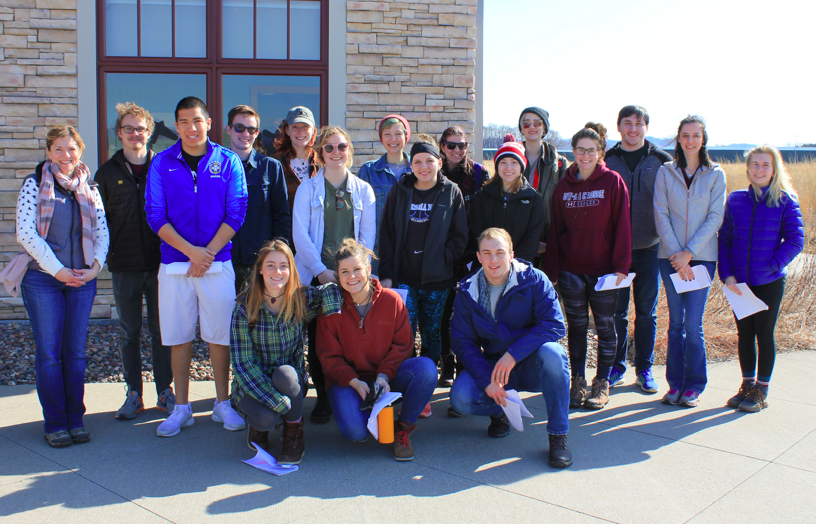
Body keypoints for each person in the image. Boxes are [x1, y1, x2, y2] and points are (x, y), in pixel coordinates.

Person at [145, 96, 248, 436]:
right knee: (178, 336)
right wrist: (192, 252)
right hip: (176, 265)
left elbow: (237, 211)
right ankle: (182, 408)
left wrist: (208, 254)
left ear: (208, 123)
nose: (192, 128)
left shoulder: (228, 160)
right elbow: (155, 214)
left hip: (218, 265)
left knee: (219, 336)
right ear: (176, 126)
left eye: (197, 121)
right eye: (185, 122)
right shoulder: (162, 163)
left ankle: (222, 404)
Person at [14, 126, 109, 447]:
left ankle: (75, 419)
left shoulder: (90, 187)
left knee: (75, 354)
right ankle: (55, 423)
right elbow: (26, 233)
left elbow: (102, 232)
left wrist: (95, 267)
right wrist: (58, 271)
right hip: (44, 280)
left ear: (80, 152)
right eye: (58, 149)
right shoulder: (33, 185)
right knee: (50, 354)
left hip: (82, 280)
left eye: (71, 149)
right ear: (48, 152)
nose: (65, 156)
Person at [449, 228, 572, 468]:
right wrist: (487, 381)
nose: (493, 259)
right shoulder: (467, 291)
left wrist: (513, 354)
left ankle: (558, 436)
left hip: (532, 364)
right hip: (495, 367)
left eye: (499, 252)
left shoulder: (534, 279)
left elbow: (555, 325)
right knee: (461, 398)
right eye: (487, 253)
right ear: (478, 257)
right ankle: (500, 411)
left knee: (554, 354)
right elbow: (463, 343)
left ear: (511, 254)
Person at [317, 238, 437, 461]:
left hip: (386, 376)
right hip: (349, 382)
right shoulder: (331, 306)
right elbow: (328, 356)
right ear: (337, 275)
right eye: (344, 272)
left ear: (369, 270)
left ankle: (403, 427)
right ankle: (369, 411)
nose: (351, 277)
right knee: (356, 433)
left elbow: (403, 346)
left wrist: (383, 376)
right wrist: (353, 381)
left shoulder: (392, 300)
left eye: (357, 269)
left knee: (426, 368)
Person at [378, 134, 468, 417]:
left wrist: (442, 259)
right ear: (411, 165)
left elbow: (459, 236)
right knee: (404, 335)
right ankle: (405, 386)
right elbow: (388, 235)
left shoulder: (451, 192)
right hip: (404, 278)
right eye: (418, 161)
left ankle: (424, 390)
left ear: (439, 163)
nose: (424, 166)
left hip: (436, 280)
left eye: (429, 161)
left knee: (431, 334)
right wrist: (388, 275)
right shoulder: (400, 190)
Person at [95, 102, 174, 420]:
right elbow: (99, 221)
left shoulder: (164, 168)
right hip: (124, 266)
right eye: (128, 128)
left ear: (150, 132)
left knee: (161, 332)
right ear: (119, 133)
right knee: (129, 332)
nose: (135, 134)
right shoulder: (106, 172)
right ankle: (133, 393)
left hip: (159, 265)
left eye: (141, 128)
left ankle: (165, 391)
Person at [230, 240, 342, 464]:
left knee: (286, 374)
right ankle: (260, 426)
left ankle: (293, 434)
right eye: (270, 265)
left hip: (289, 378)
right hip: (252, 381)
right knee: (265, 418)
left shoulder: (301, 298)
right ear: (260, 269)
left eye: (284, 266)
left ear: (291, 270)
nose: (277, 271)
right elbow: (243, 364)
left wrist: (333, 312)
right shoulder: (244, 307)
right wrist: (278, 404)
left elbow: (330, 288)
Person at [544, 123, 631, 411]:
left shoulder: (613, 182)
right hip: (571, 269)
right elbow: (556, 228)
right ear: (573, 151)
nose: (585, 155)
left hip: (604, 270)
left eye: (591, 150)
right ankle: (578, 381)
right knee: (577, 328)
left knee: (606, 328)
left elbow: (622, 226)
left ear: (600, 152)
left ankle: (602, 382)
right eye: (580, 150)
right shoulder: (563, 186)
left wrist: (621, 265)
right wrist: (553, 269)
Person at [292, 125, 376, 424]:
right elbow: (300, 235)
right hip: (318, 277)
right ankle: (324, 398)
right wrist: (322, 272)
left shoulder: (363, 190)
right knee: (318, 339)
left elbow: (367, 236)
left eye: (341, 147)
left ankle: (352, 390)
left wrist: (355, 273)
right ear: (320, 153)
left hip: (352, 278)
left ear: (349, 151)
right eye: (329, 148)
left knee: (350, 336)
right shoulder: (307, 189)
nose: (336, 153)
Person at [718, 146, 804, 412]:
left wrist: (772, 265)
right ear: (748, 168)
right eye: (754, 164)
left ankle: (762, 390)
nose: (759, 169)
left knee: (764, 335)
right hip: (738, 283)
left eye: (765, 165)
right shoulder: (735, 200)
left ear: (774, 169)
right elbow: (725, 239)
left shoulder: (786, 201)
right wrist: (727, 274)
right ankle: (746, 385)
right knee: (744, 334)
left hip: (768, 282)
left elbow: (795, 239)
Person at [654, 115, 726, 408]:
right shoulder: (665, 172)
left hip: (702, 258)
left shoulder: (715, 174)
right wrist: (677, 256)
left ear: (703, 139)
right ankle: (675, 385)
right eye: (685, 135)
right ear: (678, 138)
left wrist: (690, 254)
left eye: (696, 135)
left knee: (693, 324)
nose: (690, 140)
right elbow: (661, 214)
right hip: (669, 259)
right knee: (675, 323)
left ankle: (695, 385)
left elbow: (715, 217)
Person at [604, 105, 673, 394]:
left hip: (649, 249)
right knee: (616, 313)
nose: (633, 129)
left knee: (646, 314)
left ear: (646, 127)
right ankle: (616, 366)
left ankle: (644, 368)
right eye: (627, 123)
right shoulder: (607, 159)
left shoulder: (661, 160)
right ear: (618, 126)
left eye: (639, 123)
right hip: (615, 252)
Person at [437, 125, 490, 389]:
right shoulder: (434, 172)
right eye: (451, 145)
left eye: (462, 145)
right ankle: (447, 362)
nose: (457, 150)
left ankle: (466, 366)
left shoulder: (479, 174)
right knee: (445, 312)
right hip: (443, 252)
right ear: (442, 147)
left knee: (471, 312)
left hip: (472, 253)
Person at [225, 105, 291, 292]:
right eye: (239, 128)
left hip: (259, 265)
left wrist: (277, 258)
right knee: (221, 320)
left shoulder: (271, 167)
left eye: (251, 129)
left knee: (258, 319)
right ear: (228, 129)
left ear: (257, 133)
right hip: (222, 261)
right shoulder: (215, 167)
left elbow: (282, 217)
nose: (245, 133)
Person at [470, 141, 545, 264]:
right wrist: (491, 260)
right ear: (497, 166)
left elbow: (532, 239)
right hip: (488, 265)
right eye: (503, 162)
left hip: (519, 267)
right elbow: (476, 232)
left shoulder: (533, 199)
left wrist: (513, 265)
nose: (508, 167)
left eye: (514, 162)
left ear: (522, 166)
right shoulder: (483, 196)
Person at [357, 114, 412, 275]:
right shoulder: (368, 171)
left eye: (398, 133)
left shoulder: (418, 170)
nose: (392, 139)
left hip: (410, 257)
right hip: (376, 256)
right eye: (387, 134)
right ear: (381, 138)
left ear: (406, 136)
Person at [517, 107, 568, 263]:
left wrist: (555, 240)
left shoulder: (558, 163)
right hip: (518, 238)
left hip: (549, 238)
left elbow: (565, 204)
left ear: (544, 127)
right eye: (526, 124)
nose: (531, 127)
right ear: (521, 129)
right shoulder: (511, 159)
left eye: (537, 123)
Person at [271, 106, 318, 217]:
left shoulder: (322, 163)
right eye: (295, 127)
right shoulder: (274, 163)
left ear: (313, 130)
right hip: (285, 230)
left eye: (305, 127)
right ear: (287, 130)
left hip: (316, 231)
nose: (300, 132)